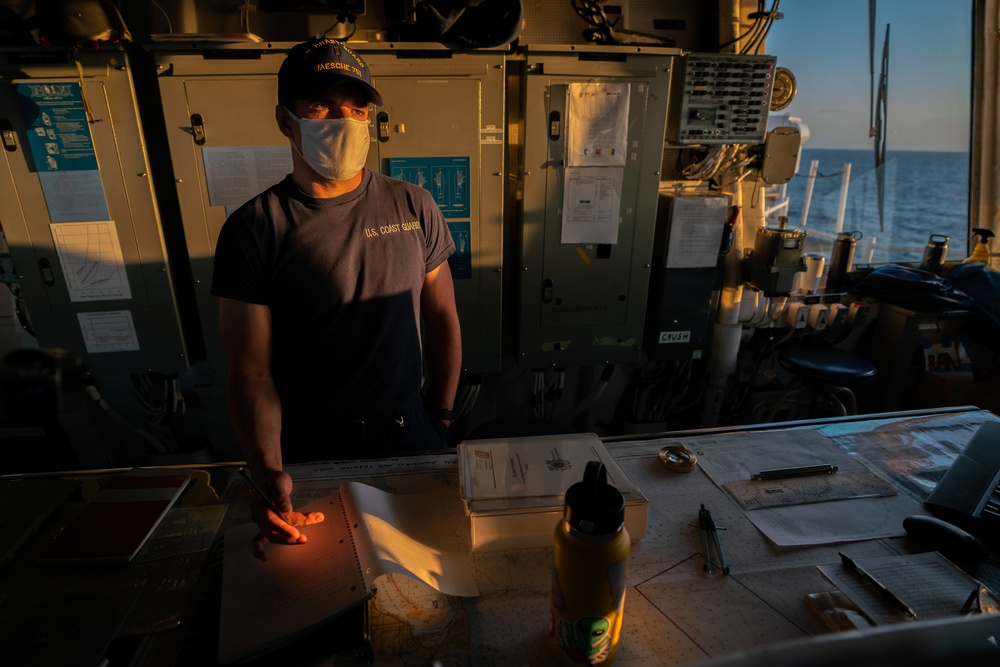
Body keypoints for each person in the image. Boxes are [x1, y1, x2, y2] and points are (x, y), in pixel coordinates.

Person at [211, 37, 461, 559]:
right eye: (320, 106)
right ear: (286, 120)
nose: (341, 121)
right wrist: (268, 470)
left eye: (355, 109)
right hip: (312, 447)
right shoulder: (255, 228)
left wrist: (438, 415)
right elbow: (249, 370)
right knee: (326, 574)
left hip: (409, 430)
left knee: (431, 568)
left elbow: (442, 318)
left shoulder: (414, 204)